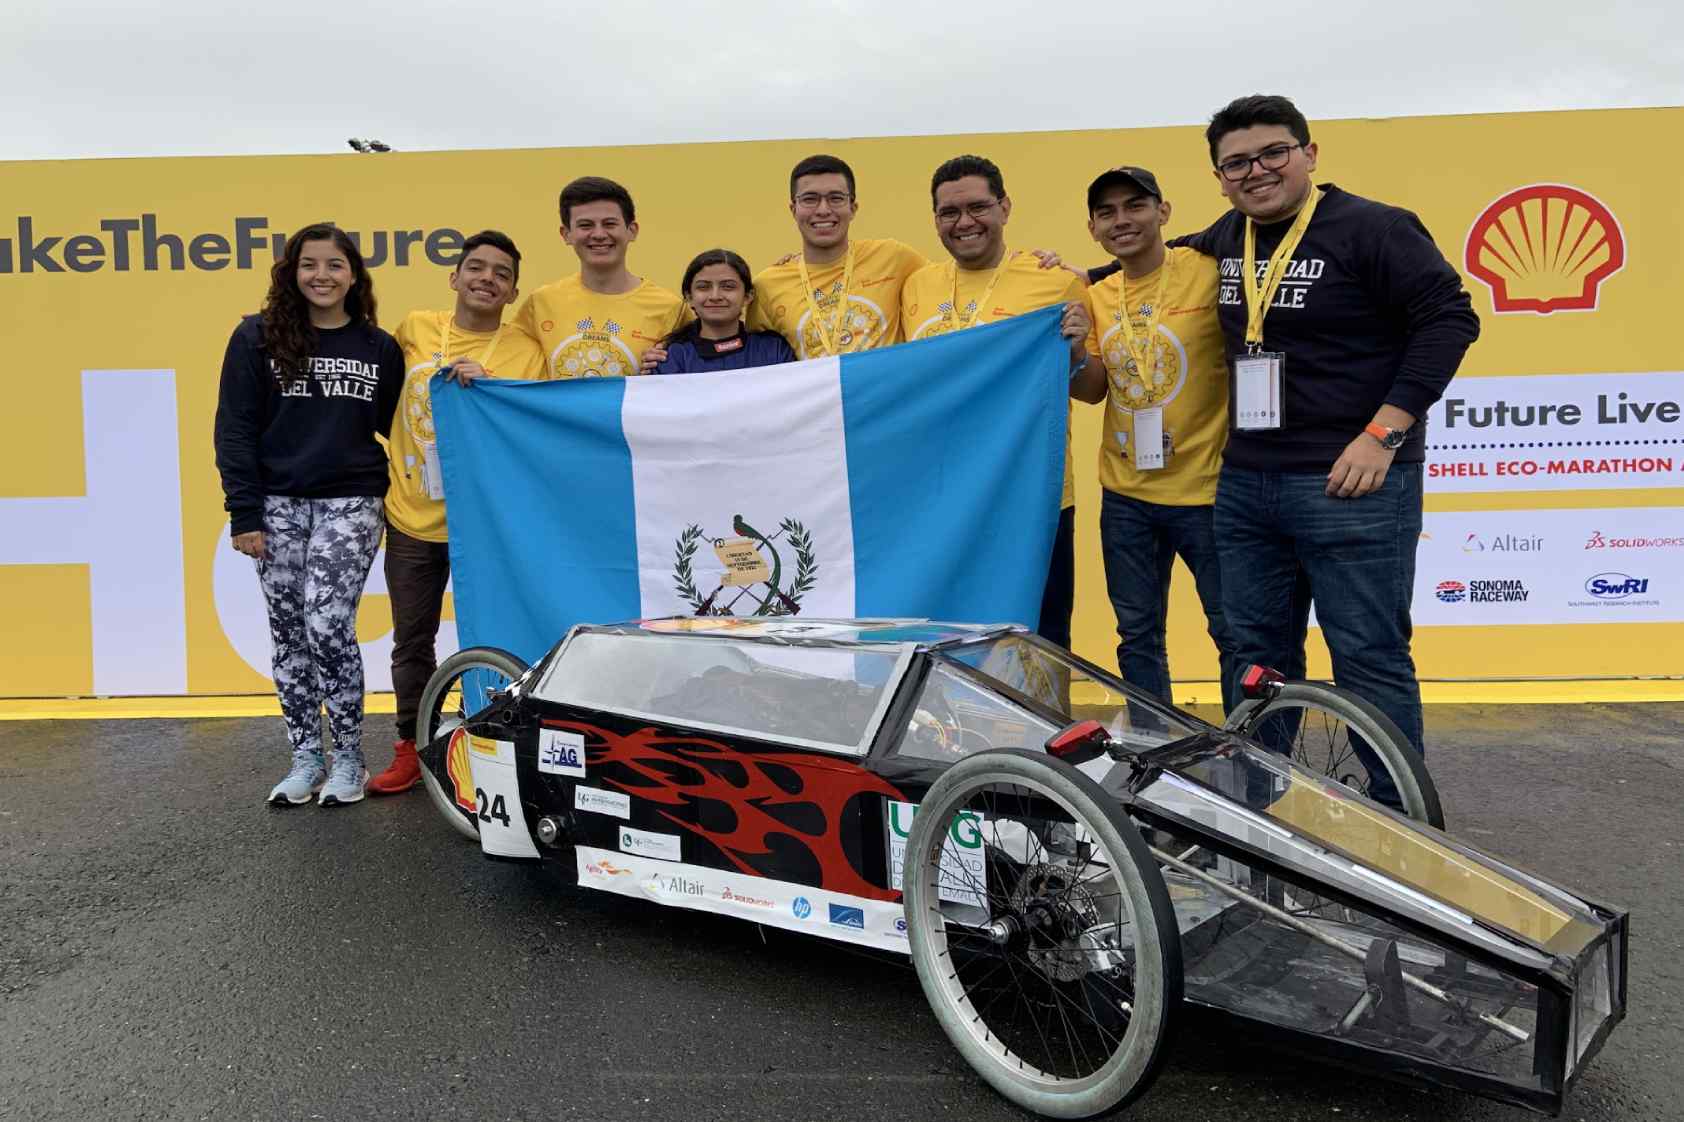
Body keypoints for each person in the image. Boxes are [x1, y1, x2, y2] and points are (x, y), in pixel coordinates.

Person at [1178, 94, 1480, 799]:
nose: (1256, 171)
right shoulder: (1227, 236)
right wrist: (1066, 283)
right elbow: (1147, 269)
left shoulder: (1373, 228)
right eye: (1236, 163)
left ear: (1309, 155)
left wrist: (1385, 432)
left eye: (1272, 153)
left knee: (1369, 660)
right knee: (1253, 659)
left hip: (1356, 486)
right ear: (1220, 178)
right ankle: (1258, 815)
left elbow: (1450, 319)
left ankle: (1396, 830)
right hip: (1248, 486)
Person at [213, 222, 404, 808]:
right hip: (276, 506)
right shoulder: (256, 338)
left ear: (354, 276)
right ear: (292, 272)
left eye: (335, 265)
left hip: (351, 500)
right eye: (309, 265)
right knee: (289, 633)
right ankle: (304, 757)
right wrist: (244, 513)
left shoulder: (378, 347)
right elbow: (235, 428)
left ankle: (348, 755)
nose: (322, 276)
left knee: (327, 624)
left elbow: (404, 424)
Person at [365, 231, 546, 796]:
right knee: (412, 640)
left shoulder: (525, 351)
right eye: (475, 267)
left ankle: (494, 749)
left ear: (513, 291)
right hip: (413, 518)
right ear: (455, 277)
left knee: (497, 638)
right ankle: (410, 749)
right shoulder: (416, 327)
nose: (486, 278)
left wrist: (493, 391)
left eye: (500, 273)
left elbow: (530, 430)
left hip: (486, 523)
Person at [898, 154, 1090, 648]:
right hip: (941, 493)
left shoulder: (1056, 280)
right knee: (945, 633)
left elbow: (1093, 389)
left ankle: (1046, 728)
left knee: (1039, 635)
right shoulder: (917, 285)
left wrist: (1078, 351)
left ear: (1005, 207)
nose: (965, 223)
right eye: (949, 212)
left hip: (1031, 494)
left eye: (978, 207)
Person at [1069, 167, 1238, 712]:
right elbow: (1095, 391)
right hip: (1127, 497)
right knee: (1138, 637)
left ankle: (1251, 760)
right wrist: (1074, 353)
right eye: (1107, 212)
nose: (1123, 220)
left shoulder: (1207, 271)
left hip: (1208, 492)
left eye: (1135, 206)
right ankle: (1156, 745)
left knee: (1233, 633)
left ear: (1163, 212)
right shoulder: (1095, 295)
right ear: (1093, 228)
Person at [744, 154, 929, 358]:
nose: (823, 210)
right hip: (818, 391)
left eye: (836, 198)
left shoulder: (894, 258)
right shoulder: (767, 285)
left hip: (885, 390)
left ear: (853, 208)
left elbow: (951, 282)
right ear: (793, 209)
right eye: (810, 199)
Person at [512, 176, 688, 378]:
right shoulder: (541, 302)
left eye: (609, 224)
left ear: (632, 231)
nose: (598, 234)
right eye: (585, 225)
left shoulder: (671, 309)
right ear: (566, 234)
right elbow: (509, 366)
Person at [652, 249, 797, 374]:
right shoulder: (671, 357)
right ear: (689, 297)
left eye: (728, 287)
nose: (715, 296)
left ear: (748, 296)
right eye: (703, 287)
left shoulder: (774, 349)